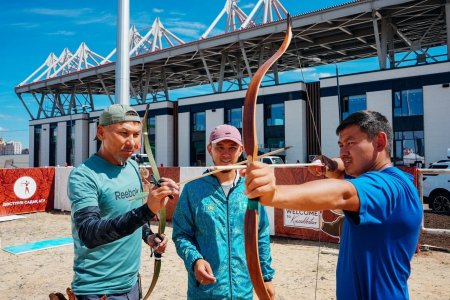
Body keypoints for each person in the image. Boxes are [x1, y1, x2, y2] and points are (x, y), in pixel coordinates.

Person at [243, 110, 422, 299]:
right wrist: (331, 165)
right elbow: (342, 171)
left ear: (379, 142)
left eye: (351, 143)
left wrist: (274, 193)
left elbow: (342, 193)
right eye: (341, 145)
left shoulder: (388, 186)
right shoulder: (391, 180)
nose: (343, 152)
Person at [67, 104, 179, 300]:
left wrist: (149, 237)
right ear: (101, 132)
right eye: (124, 133)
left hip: (131, 284)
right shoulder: (84, 175)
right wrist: (147, 210)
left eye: (136, 135)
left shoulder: (133, 167)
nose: (133, 143)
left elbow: (131, 212)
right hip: (98, 290)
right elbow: (89, 233)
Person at [172, 124, 275, 299]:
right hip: (205, 291)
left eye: (232, 147)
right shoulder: (192, 189)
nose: (226, 154)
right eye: (219, 147)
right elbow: (181, 234)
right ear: (209, 149)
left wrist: (266, 277)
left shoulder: (250, 187)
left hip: (243, 289)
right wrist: (196, 260)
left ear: (241, 149)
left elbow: (261, 234)